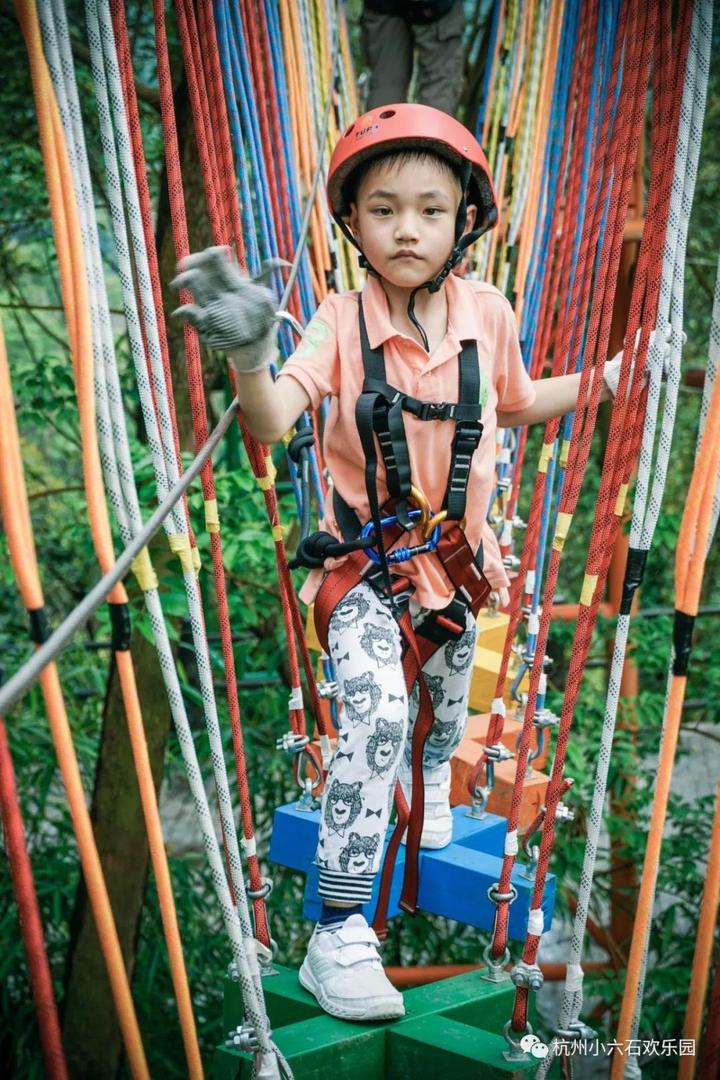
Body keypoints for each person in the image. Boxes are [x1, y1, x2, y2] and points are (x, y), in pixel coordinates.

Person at [171, 104, 629, 1024]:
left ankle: (425, 772)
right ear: (352, 224)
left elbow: (518, 398)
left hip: (461, 573)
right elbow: (270, 422)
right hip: (363, 573)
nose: (406, 228)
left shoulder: (488, 313)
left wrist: (610, 378)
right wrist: (256, 351)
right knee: (377, 715)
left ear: (465, 220)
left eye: (429, 207)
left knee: (442, 715)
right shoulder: (338, 321)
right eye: (383, 209)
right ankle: (338, 932)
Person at [361, 0, 465, 116]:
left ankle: (383, 131)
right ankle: (431, 132)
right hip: (435, 9)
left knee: (386, 87)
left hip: (383, 7)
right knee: (439, 90)